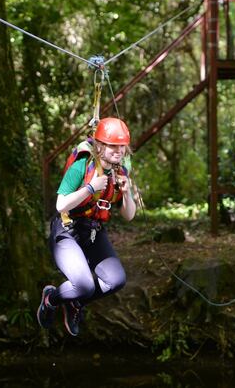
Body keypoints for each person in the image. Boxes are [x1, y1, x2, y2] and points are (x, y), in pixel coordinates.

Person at [36, 117, 137, 336]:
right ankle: (51, 299)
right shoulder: (82, 165)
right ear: (100, 145)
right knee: (84, 285)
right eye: (112, 145)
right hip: (67, 231)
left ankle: (75, 304)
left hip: (93, 232)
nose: (118, 151)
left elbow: (128, 216)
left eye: (121, 146)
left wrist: (127, 191)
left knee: (116, 280)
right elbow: (61, 204)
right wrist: (91, 187)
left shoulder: (120, 173)